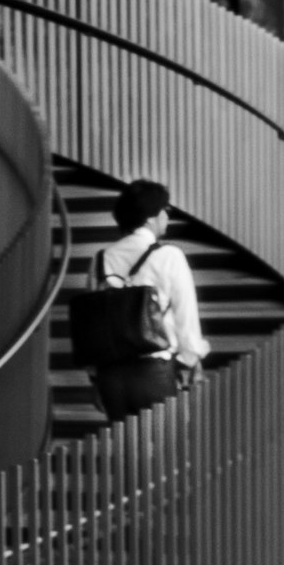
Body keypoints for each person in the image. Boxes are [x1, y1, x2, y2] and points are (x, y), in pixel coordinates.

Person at [69, 173, 204, 423]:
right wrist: (189, 360)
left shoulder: (100, 259)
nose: (167, 216)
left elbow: (94, 326)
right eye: (165, 209)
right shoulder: (170, 255)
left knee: (126, 456)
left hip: (111, 377)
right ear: (151, 216)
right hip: (154, 372)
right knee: (166, 453)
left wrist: (95, 377)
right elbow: (186, 314)